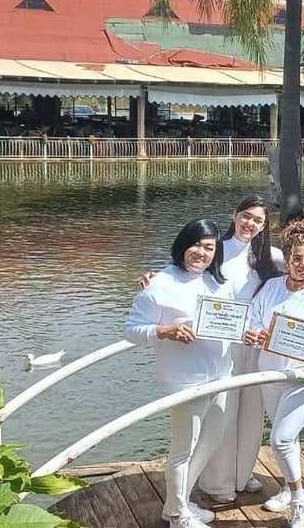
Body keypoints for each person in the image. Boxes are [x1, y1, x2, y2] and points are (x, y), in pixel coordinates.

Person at [125, 219, 234, 528]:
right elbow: (131, 330)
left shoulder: (218, 282)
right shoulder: (160, 283)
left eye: (209, 247)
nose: (201, 252)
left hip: (221, 375)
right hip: (185, 380)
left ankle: (178, 502)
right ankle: (178, 516)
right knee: (184, 447)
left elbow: (232, 321)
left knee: (211, 440)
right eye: (196, 244)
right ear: (183, 244)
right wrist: (164, 331)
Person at [244, 219, 304, 528]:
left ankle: (301, 499)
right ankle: (289, 490)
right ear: (287, 260)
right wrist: (256, 333)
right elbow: (254, 319)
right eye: (296, 258)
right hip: (271, 375)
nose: (303, 264)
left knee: (281, 438)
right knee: (287, 436)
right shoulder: (271, 288)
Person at [198, 195, 285, 503]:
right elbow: (185, 274)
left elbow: (298, 285)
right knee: (223, 412)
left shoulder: (272, 257)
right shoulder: (215, 249)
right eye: (246, 216)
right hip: (223, 344)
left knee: (251, 413)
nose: (250, 223)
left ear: (264, 225)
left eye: (258, 220)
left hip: (258, 345)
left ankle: (241, 473)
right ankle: (217, 481)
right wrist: (153, 278)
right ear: (234, 215)